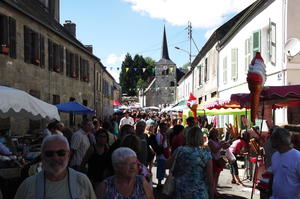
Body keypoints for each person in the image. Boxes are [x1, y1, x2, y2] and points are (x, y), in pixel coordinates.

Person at [14, 135, 96, 199]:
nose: (55, 158)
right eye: (49, 154)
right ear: (42, 157)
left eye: (61, 153)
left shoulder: (82, 181)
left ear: (68, 155)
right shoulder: (27, 186)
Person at [165, 127, 214, 199]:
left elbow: (166, 165)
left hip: (181, 191)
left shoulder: (179, 150)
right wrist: (212, 196)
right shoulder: (206, 154)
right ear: (201, 138)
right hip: (199, 193)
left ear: (187, 137)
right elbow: (210, 180)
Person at [270, 127, 300, 199]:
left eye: (273, 138)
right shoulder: (275, 156)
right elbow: (274, 177)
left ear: (280, 140)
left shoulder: (297, 157)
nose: (270, 140)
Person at [208, 128, 229, 197]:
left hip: (218, 159)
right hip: (213, 160)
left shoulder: (217, 140)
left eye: (217, 132)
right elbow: (214, 150)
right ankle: (213, 191)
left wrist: (227, 144)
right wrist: (221, 145)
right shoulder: (210, 141)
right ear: (212, 134)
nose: (217, 134)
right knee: (213, 177)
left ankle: (215, 190)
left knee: (217, 176)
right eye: (215, 132)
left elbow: (221, 148)